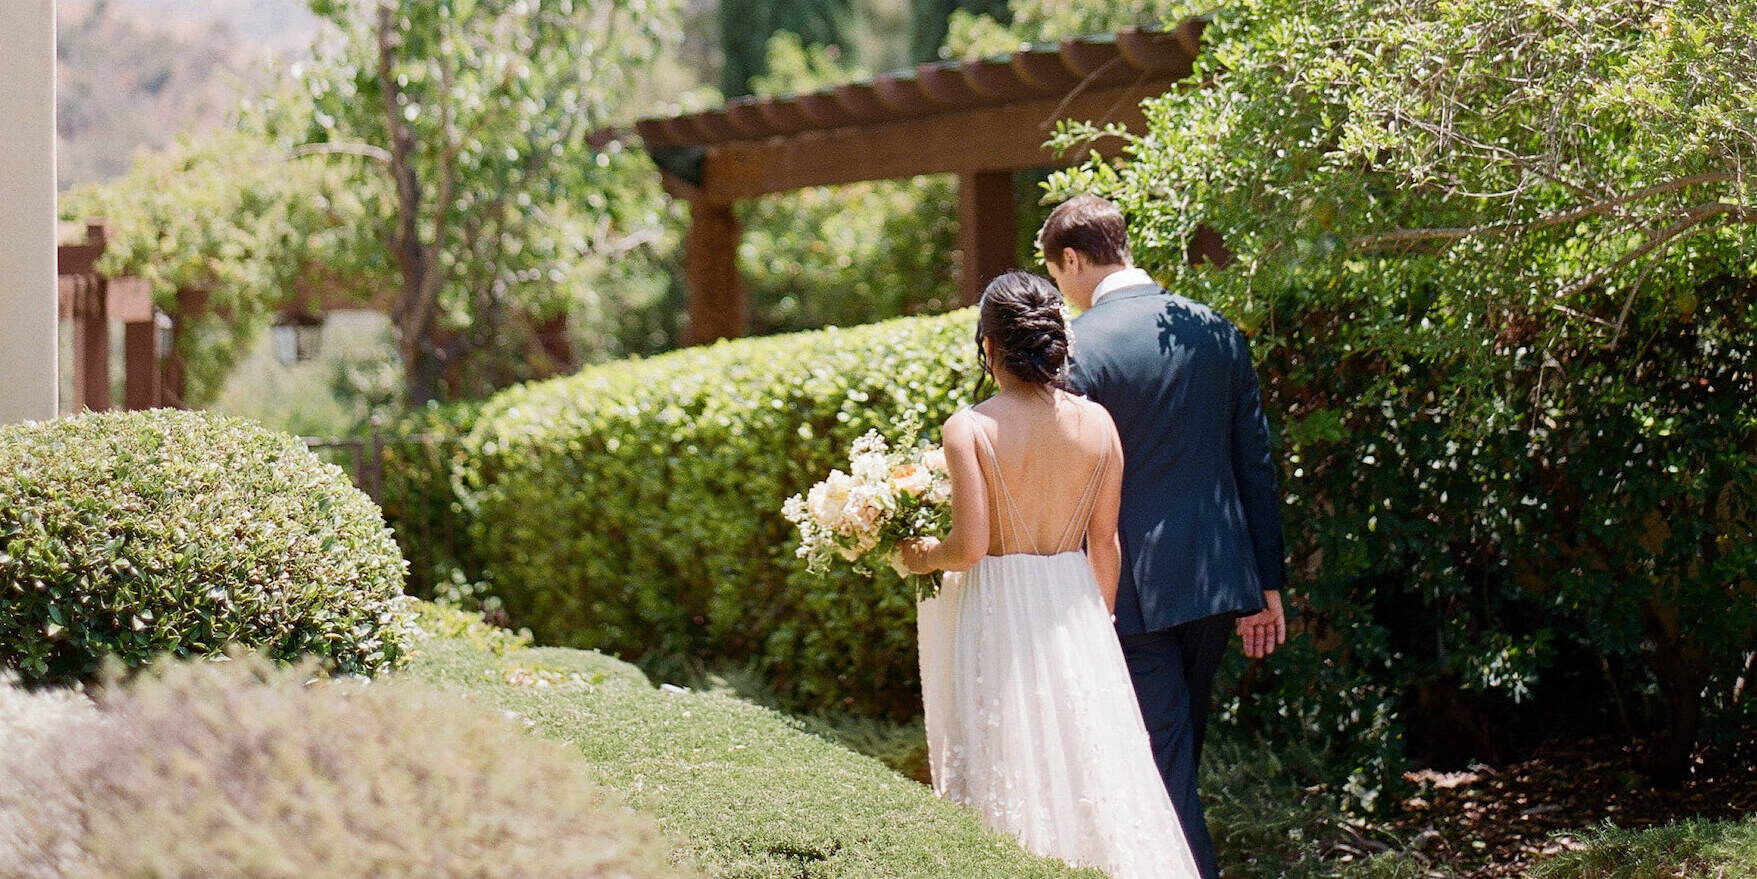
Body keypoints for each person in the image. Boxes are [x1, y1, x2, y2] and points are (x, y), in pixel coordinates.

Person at [900, 271, 1201, 879]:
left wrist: (920, 554)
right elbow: (1107, 542)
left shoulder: (970, 428)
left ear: (988, 346)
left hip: (997, 612)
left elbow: (970, 547)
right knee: (1093, 769)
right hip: (1077, 609)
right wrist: (1102, 620)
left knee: (1008, 764)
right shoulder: (1099, 425)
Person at [1041, 194, 1288, 879]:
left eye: (1059, 276)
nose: (1061, 291)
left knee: (1158, 769)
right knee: (1174, 754)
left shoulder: (1077, 346)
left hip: (1127, 592)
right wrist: (1267, 585)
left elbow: (1066, 481)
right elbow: (1254, 465)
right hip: (1216, 583)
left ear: (1071, 258)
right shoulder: (1215, 331)